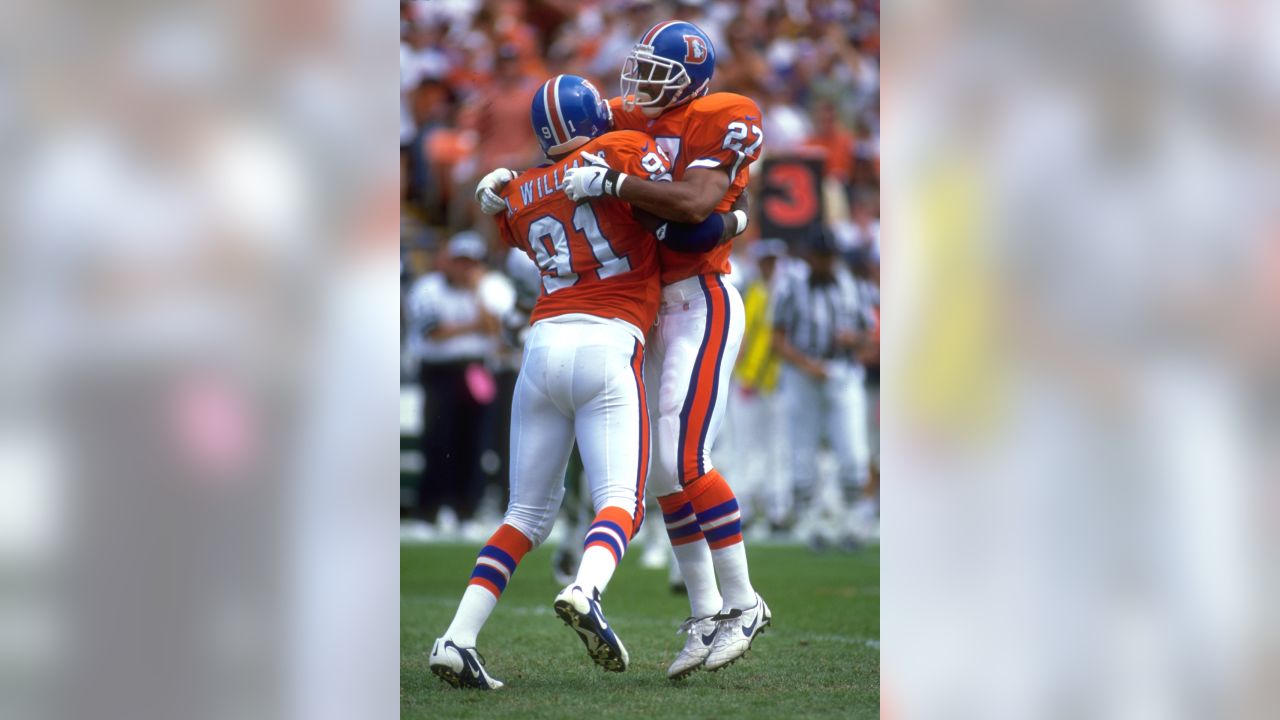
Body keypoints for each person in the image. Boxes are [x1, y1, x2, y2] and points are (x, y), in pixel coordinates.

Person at [429, 74, 730, 690]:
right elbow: (683, 208)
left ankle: (457, 638)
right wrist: (735, 219)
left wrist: (503, 193)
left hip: (540, 348)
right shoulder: (619, 150)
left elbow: (512, 228)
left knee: (523, 514)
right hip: (608, 338)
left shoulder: (521, 188)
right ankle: (587, 589)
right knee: (621, 499)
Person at [559, 20, 769, 678]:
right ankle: (704, 612)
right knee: (658, 476)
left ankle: (744, 602)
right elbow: (567, 135)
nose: (639, 83)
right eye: (641, 67)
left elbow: (696, 206)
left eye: (658, 71)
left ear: (694, 79)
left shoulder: (724, 114)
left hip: (700, 299)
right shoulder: (632, 114)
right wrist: (516, 176)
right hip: (652, 306)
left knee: (685, 456)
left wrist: (617, 186)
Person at [771, 230, 876, 549]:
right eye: (819, 255)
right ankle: (812, 520)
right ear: (809, 257)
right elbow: (777, 338)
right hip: (802, 376)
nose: (824, 262)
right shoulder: (792, 286)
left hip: (842, 373)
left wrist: (853, 340)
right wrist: (806, 365)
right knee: (803, 451)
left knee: (853, 452)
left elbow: (870, 334)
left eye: (829, 256)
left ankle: (851, 520)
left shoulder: (854, 287)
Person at [404, 232, 513, 530]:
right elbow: (433, 332)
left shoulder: (489, 290)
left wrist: (478, 295)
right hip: (440, 370)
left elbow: (496, 331)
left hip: (476, 369)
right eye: (461, 261)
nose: (466, 268)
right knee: (438, 440)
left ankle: (467, 510)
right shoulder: (428, 288)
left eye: (472, 263)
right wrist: (475, 326)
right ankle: (430, 510)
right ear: (449, 261)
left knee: (474, 441)